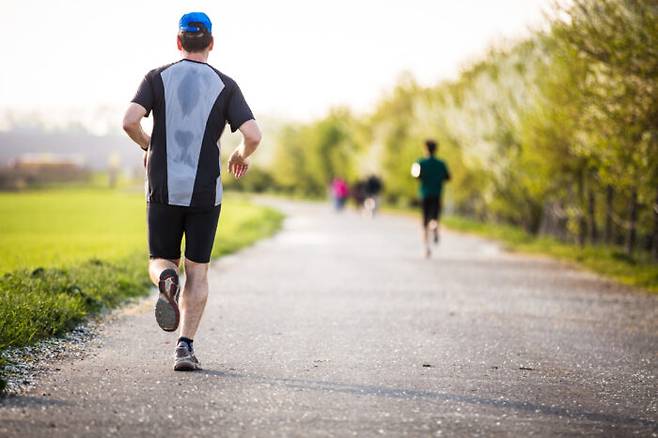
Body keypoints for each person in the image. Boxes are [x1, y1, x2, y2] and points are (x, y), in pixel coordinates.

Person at [122, 12, 261, 371]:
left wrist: (147, 146)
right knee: (197, 272)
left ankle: (166, 278)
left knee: (160, 260)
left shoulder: (156, 77)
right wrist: (240, 154)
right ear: (211, 43)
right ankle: (185, 347)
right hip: (204, 191)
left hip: (163, 185)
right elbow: (253, 135)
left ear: (178, 42)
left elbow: (129, 121)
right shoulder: (225, 85)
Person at [411, 139, 450, 258]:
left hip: (425, 194)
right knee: (434, 217)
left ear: (426, 149)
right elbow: (448, 177)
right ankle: (434, 225)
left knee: (424, 222)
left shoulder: (420, 162)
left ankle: (427, 249)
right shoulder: (442, 163)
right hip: (437, 194)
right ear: (436, 149)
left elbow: (415, 176)